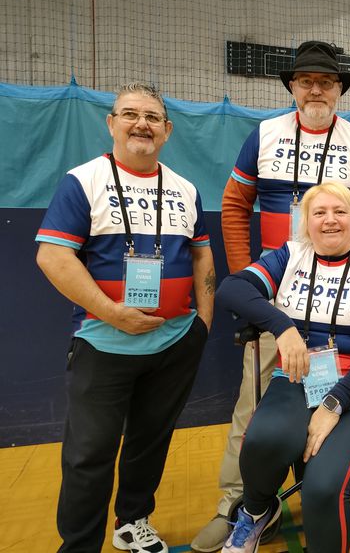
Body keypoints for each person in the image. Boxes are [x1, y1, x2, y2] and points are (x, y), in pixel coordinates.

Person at [193, 40, 350, 551]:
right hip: (280, 301)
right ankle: (240, 507)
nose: (316, 89)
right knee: (252, 411)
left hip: (345, 305)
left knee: (324, 410)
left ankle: (321, 497)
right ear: (291, 86)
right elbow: (234, 203)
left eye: (326, 82)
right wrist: (252, 288)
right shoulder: (263, 134)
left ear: (339, 90)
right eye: (306, 80)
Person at [35, 83, 215, 553]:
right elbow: (53, 257)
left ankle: (132, 521)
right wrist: (113, 313)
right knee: (88, 455)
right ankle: (79, 546)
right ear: (111, 123)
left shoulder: (185, 188)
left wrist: (203, 324)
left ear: (168, 130)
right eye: (130, 114)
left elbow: (202, 258)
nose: (142, 124)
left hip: (174, 343)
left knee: (150, 442)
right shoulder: (83, 181)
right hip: (103, 343)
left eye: (153, 117)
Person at [215, 181, 350, 553]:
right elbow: (230, 290)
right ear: (306, 221)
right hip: (299, 376)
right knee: (262, 441)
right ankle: (255, 515)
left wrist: (334, 405)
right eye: (319, 213)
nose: (330, 220)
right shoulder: (290, 255)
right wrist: (282, 327)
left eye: (340, 211)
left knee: (322, 489)